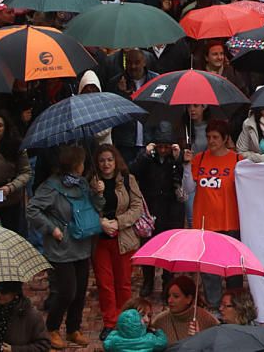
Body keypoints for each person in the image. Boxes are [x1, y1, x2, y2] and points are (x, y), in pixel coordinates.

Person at [26, 145, 103, 349]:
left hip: (82, 244)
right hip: (61, 248)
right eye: (81, 162)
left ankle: (72, 329)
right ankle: (51, 328)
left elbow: (95, 208)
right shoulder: (51, 187)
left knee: (80, 291)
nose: (83, 165)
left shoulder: (83, 184)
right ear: (75, 164)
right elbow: (32, 210)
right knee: (67, 291)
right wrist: (52, 229)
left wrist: (98, 193)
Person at [183, 119, 241, 310]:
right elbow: (189, 188)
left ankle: (236, 309)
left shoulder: (237, 160)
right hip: (205, 224)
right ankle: (215, 308)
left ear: (225, 139)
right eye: (208, 137)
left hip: (230, 223)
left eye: (215, 137)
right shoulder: (199, 159)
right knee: (210, 271)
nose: (211, 141)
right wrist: (186, 165)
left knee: (233, 271)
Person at [91, 146, 144, 339]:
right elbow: (86, 209)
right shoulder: (92, 183)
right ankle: (110, 322)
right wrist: (101, 222)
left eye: (109, 160)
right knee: (105, 284)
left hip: (123, 238)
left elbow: (137, 207)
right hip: (101, 240)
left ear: (116, 161)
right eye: (102, 160)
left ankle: (125, 320)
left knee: (123, 283)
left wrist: (119, 222)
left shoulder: (128, 180)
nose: (106, 164)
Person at [131, 123, 185, 299]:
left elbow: (181, 179)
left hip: (171, 210)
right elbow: (134, 172)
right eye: (160, 146)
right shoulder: (147, 158)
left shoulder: (175, 159)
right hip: (151, 207)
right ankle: (148, 280)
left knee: (169, 248)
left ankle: (167, 281)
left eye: (166, 147)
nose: (163, 150)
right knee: (148, 245)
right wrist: (145, 156)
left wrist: (178, 159)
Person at [0, 281, 50, 352]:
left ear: (15, 293)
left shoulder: (31, 316)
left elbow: (43, 346)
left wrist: (14, 349)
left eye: (4, 292)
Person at [150, 277, 218, 344]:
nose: (170, 300)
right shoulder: (159, 321)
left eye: (176, 296)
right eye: (169, 296)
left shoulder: (208, 320)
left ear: (189, 299)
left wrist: (198, 339)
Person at [102, 302, 166, 352]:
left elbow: (106, 344)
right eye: (142, 315)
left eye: (149, 315)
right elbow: (162, 342)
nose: (147, 320)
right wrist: (158, 332)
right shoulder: (150, 339)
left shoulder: (115, 340)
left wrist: (114, 333)